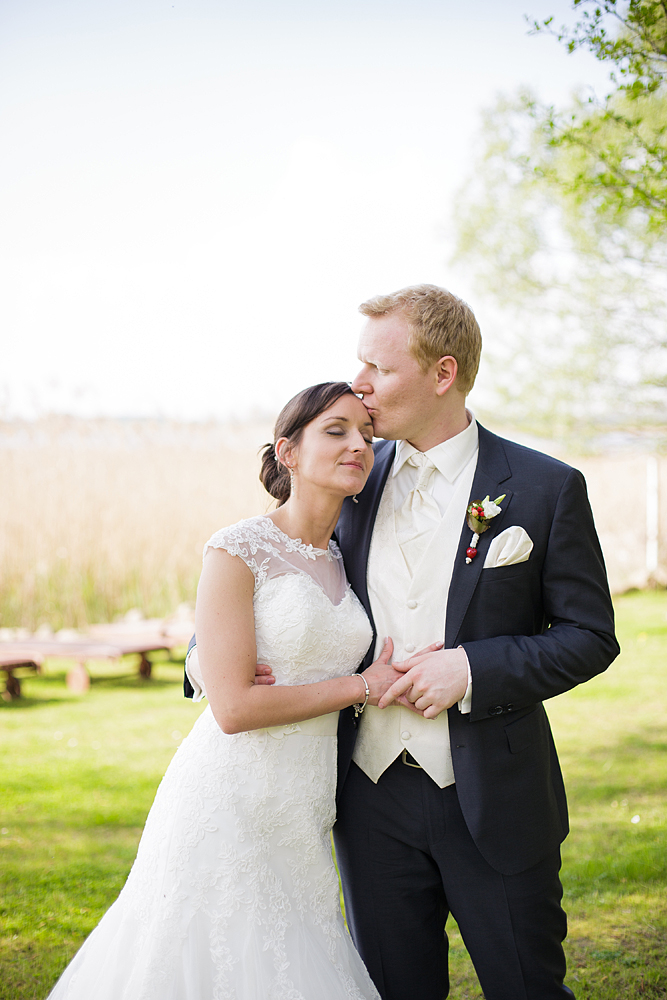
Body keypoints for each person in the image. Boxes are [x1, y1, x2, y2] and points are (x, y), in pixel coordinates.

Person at [48, 381, 426, 1000]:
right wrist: (362, 684)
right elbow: (234, 708)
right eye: (336, 430)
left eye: (366, 433)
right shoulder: (237, 548)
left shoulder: (345, 554)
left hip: (306, 801)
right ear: (288, 452)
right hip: (231, 791)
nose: (358, 444)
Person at [328, 284, 620, 1000]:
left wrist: (472, 667)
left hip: (494, 793)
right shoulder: (345, 479)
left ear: (442, 373)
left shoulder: (544, 489)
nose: (356, 386)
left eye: (379, 369)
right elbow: (276, 578)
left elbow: (589, 636)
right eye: (356, 364)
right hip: (365, 799)